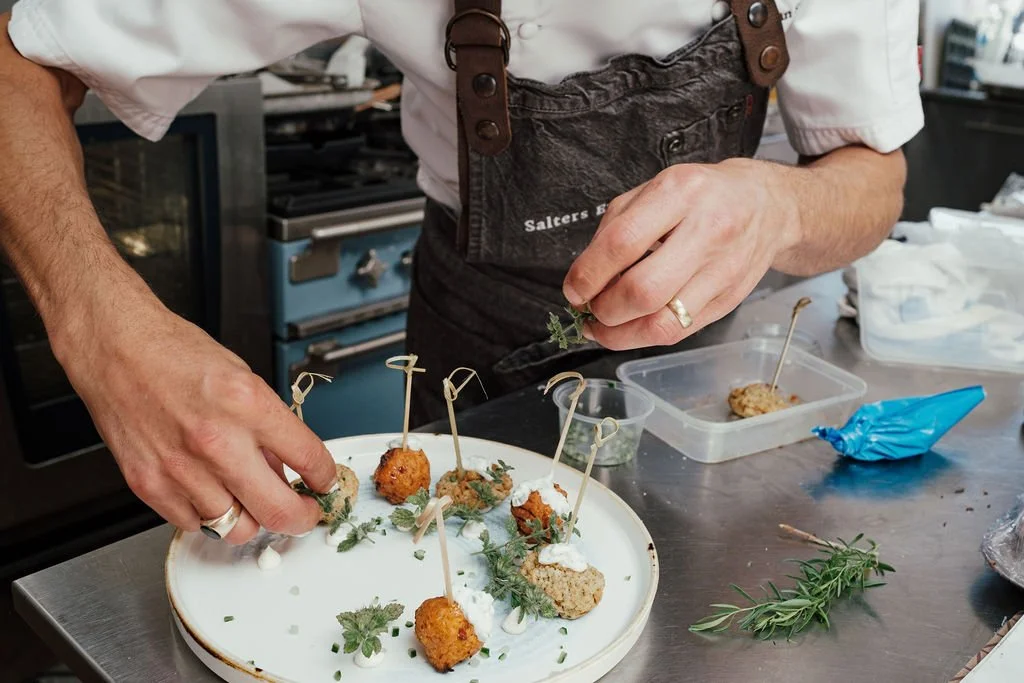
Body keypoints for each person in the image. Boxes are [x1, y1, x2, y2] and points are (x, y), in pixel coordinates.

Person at [0, 1, 922, 545]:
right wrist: (104, 330)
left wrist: (780, 208)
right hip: (473, 335)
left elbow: (873, 179)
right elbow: (18, 65)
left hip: (703, 367)